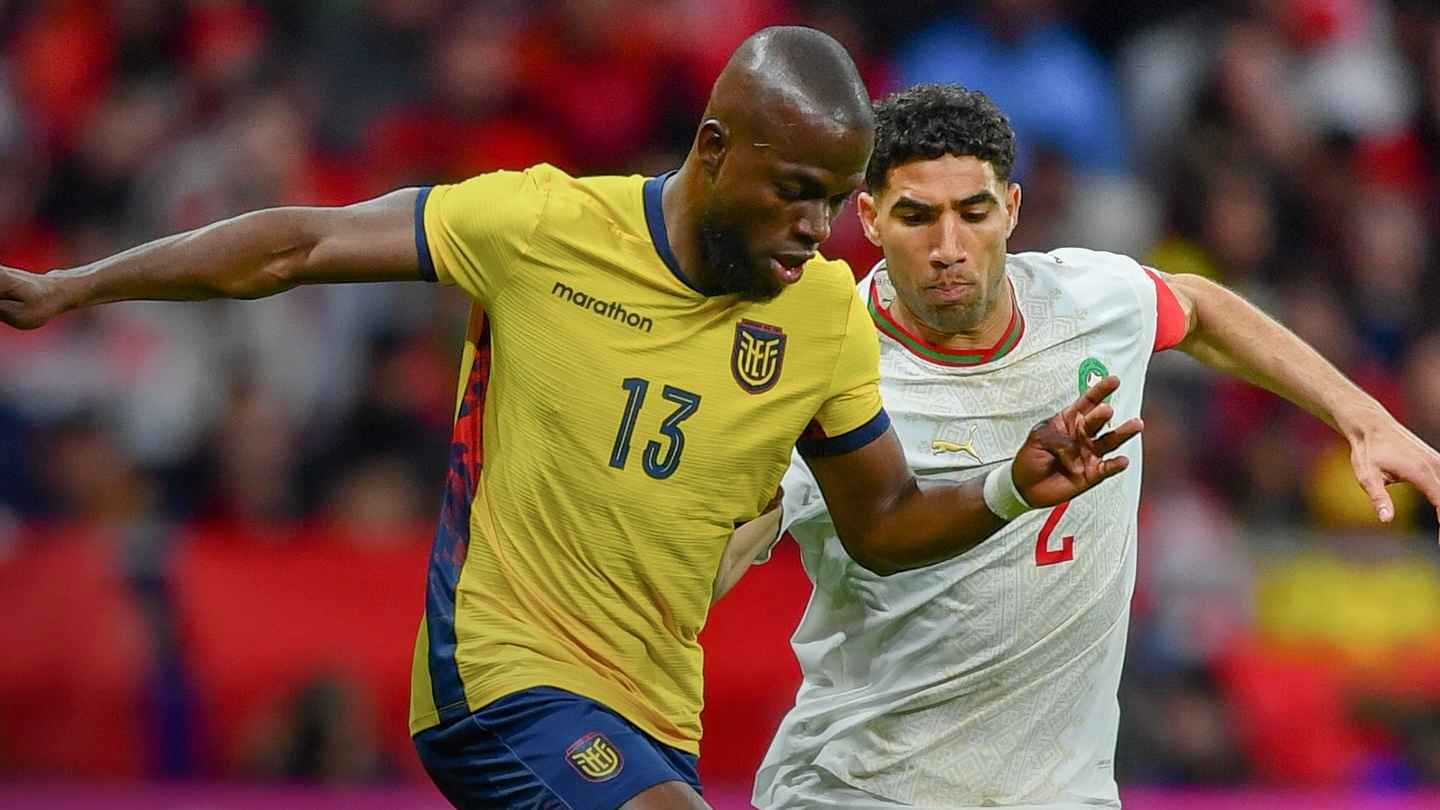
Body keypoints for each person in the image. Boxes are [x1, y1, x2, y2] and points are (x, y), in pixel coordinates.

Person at [0, 32, 1139, 810]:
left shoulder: (823, 317)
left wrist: (1008, 486)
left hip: (656, 715)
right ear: (713, 151)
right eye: (794, 190)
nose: (815, 226)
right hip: (498, 680)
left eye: (834, 199)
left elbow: (882, 522)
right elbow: (298, 244)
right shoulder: (540, 227)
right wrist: (73, 287)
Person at [741, 84, 1440, 810]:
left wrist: (1363, 418)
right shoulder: (825, 362)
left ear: (1012, 208)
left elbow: (1198, 307)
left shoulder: (1091, 302)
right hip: (858, 789)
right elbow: (742, 529)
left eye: (974, 213)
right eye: (917, 217)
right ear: (869, 217)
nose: (948, 248)